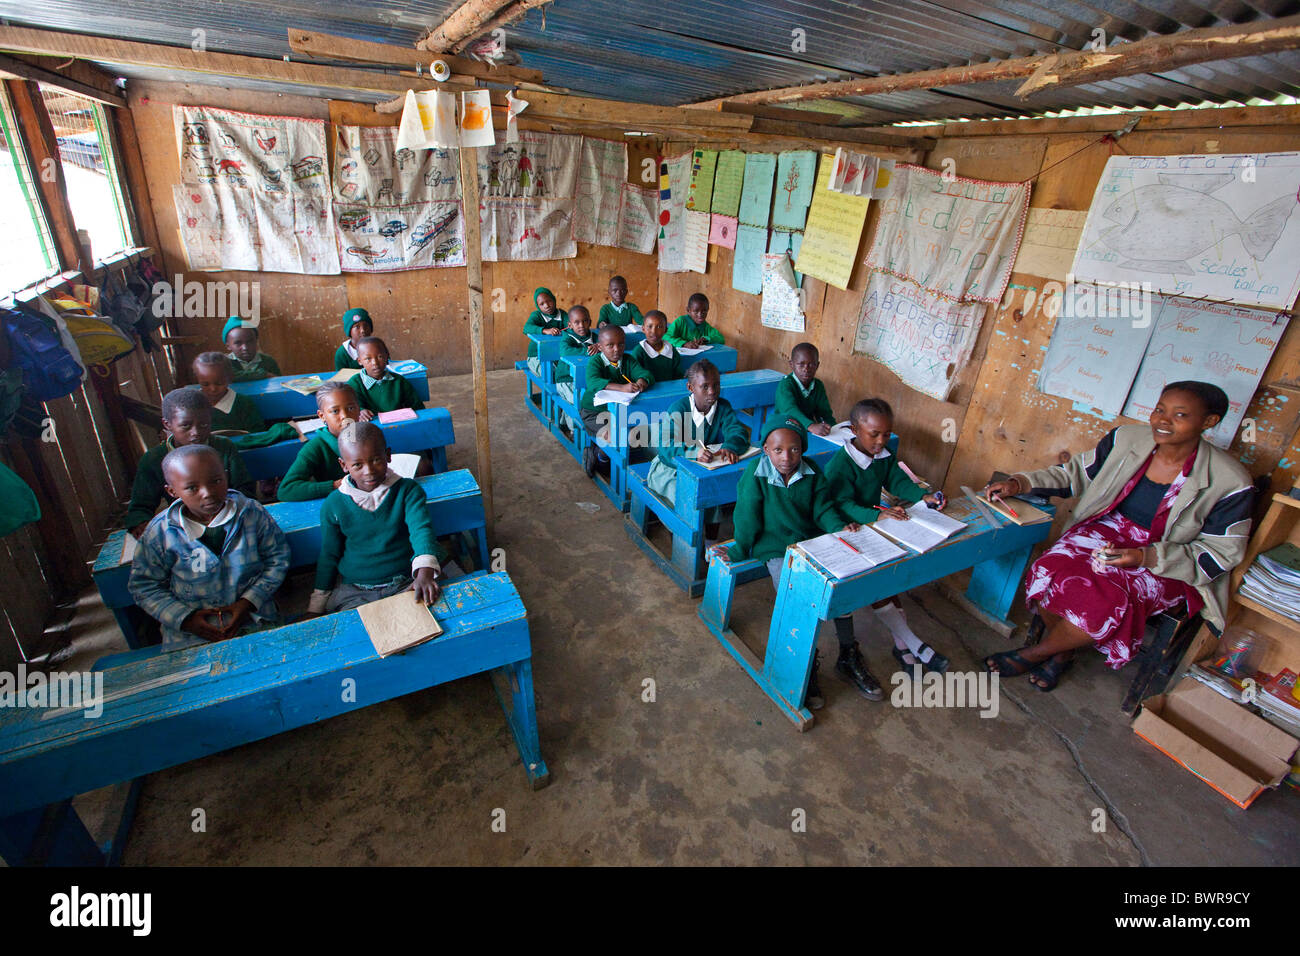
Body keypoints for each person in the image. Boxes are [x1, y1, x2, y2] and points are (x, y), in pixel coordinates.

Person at [983, 381, 1255, 691]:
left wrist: (1144, 556)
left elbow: (1222, 552)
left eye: (1180, 415)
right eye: (1159, 410)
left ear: (1209, 422)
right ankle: (1063, 651)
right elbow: (1074, 474)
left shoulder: (1230, 480)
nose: (1163, 421)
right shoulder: (1126, 440)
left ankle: (1035, 653)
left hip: (1167, 557)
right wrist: (1020, 483)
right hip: (1106, 528)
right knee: (1049, 567)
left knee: (1106, 599)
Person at [729, 417, 873, 706]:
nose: (786, 457)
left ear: (803, 449)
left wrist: (838, 527)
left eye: (794, 450)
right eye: (778, 450)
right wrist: (738, 551)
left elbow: (823, 509)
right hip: (775, 547)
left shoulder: (812, 472)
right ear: (765, 449)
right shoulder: (755, 475)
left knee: (841, 585)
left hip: (811, 542)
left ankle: (847, 652)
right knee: (797, 595)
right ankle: (804, 662)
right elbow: (746, 518)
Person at [823, 398, 949, 675]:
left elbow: (897, 480)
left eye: (887, 434)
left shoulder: (882, 456)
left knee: (887, 580)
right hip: (843, 529)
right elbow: (840, 504)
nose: (881, 441)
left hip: (871, 525)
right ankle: (910, 645)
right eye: (874, 434)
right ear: (854, 430)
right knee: (868, 583)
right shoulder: (841, 465)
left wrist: (922, 495)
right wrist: (877, 516)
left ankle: (905, 645)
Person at [129, 444, 290, 644]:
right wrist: (185, 619)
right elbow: (143, 585)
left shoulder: (251, 513)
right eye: (192, 488)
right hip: (190, 634)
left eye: (216, 481)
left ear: (226, 476)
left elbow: (278, 558)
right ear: (172, 491)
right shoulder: (161, 531)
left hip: (255, 617)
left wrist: (248, 602)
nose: (207, 493)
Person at [308, 422, 452, 613]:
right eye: (357, 465)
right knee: (358, 634)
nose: (369, 471)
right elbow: (329, 554)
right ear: (343, 465)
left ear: (388, 455)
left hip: (407, 579)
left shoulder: (407, 491)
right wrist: (316, 606)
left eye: (376, 460)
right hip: (357, 590)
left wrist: (424, 573)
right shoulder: (334, 505)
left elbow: (421, 530)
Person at [123, 388, 252, 535]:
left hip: (226, 518)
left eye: (204, 425)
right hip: (180, 527)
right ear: (167, 424)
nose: (196, 432)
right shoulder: (153, 459)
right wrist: (141, 524)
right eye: (186, 426)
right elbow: (140, 507)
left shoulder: (223, 447)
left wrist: (227, 512)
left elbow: (244, 489)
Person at [645, 359, 748, 540]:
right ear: (691, 387)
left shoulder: (722, 407)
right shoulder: (678, 409)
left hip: (703, 469)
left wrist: (730, 446)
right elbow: (665, 446)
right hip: (670, 469)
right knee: (686, 498)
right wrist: (694, 452)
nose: (712, 391)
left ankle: (709, 542)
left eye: (716, 385)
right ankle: (680, 537)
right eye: (705, 386)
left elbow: (736, 430)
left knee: (711, 493)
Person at [579, 325, 653, 479]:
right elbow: (593, 382)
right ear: (600, 347)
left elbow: (645, 373)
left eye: (621, 344)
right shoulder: (595, 362)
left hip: (621, 411)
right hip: (594, 412)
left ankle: (614, 458)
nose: (616, 349)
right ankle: (597, 453)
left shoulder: (628, 360)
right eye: (610, 345)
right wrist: (621, 388)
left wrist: (641, 381)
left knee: (640, 433)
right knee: (614, 437)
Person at [276, 383, 363, 501]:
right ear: (322, 416)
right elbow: (286, 490)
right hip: (337, 504)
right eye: (335, 411)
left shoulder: (368, 437)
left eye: (351, 408)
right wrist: (335, 485)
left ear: (359, 410)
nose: (345, 416)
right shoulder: (316, 447)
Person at [348, 336, 425, 421]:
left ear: (387, 356)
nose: (375, 363)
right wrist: (361, 411)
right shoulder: (354, 384)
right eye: (368, 359)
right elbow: (351, 408)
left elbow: (418, 407)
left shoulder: (399, 381)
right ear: (359, 361)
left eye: (380, 356)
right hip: (371, 429)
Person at [192, 352, 265, 434]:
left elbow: (258, 432)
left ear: (229, 379)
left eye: (219, 383)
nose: (213, 389)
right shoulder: (192, 404)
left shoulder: (243, 403)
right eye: (205, 384)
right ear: (197, 380)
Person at [775, 342, 836, 437]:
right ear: (791, 364)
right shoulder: (786, 385)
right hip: (782, 429)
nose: (806, 369)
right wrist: (811, 425)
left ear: (817, 365)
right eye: (801, 364)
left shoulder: (818, 385)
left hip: (804, 430)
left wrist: (832, 427)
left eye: (811, 365)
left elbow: (824, 413)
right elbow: (789, 410)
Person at [555, 305, 597, 433]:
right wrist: (588, 350)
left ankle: (564, 420)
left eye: (585, 321)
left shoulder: (594, 337)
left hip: (585, 379)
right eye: (577, 322)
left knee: (592, 401)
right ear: (570, 324)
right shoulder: (567, 338)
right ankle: (574, 431)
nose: (581, 325)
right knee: (579, 403)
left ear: (590, 322)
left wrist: (600, 347)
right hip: (565, 379)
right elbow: (565, 352)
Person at [523, 287, 568, 378]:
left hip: (557, 354)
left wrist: (572, 325)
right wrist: (545, 330)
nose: (546, 305)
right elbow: (526, 328)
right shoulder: (537, 315)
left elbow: (570, 324)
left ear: (554, 300)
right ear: (538, 306)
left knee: (565, 373)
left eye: (549, 301)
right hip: (536, 356)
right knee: (549, 374)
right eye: (542, 304)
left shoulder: (562, 314)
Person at [223, 316, 281, 381]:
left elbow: (279, 382)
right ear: (228, 346)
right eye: (238, 343)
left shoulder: (268, 361)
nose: (245, 348)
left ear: (256, 341)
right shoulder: (224, 362)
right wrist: (264, 374)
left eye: (250, 341)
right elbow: (232, 376)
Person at [634, 310, 684, 382]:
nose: (654, 331)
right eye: (650, 326)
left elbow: (678, 377)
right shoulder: (638, 352)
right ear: (643, 329)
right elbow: (635, 375)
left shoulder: (672, 351)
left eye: (659, 327)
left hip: (669, 391)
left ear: (665, 330)